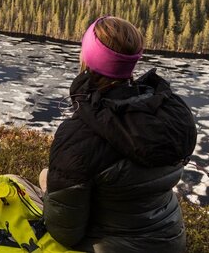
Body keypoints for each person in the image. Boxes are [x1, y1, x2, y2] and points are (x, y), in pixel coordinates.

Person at [42, 16, 197, 253]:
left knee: (38, 182)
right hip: (171, 240)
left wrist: (46, 191)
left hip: (114, 248)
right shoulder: (167, 115)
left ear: (88, 58)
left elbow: (65, 233)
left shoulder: (79, 137)